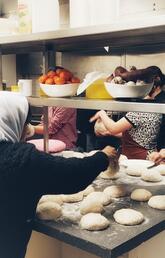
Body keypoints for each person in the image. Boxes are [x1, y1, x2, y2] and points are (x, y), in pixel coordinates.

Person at [0, 92, 117, 258]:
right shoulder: (18, 159)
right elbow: (72, 174)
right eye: (25, 124)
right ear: (12, 119)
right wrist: (103, 156)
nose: (26, 131)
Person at [90, 68, 165, 159]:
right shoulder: (155, 106)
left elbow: (114, 128)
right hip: (150, 155)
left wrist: (101, 113)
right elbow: (137, 133)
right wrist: (107, 132)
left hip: (138, 157)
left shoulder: (141, 110)